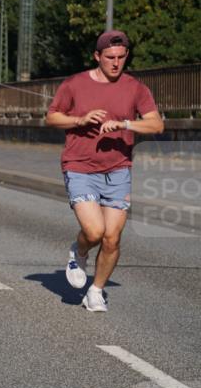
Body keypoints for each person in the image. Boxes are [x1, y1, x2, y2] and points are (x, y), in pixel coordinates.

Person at [45, 30, 163, 312]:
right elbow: (51, 117)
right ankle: (79, 250)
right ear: (97, 56)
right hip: (80, 167)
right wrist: (80, 119)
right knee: (95, 231)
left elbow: (156, 125)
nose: (116, 63)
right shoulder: (75, 83)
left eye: (122, 57)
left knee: (112, 238)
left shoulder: (135, 88)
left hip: (118, 169)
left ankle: (96, 290)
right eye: (110, 57)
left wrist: (125, 125)